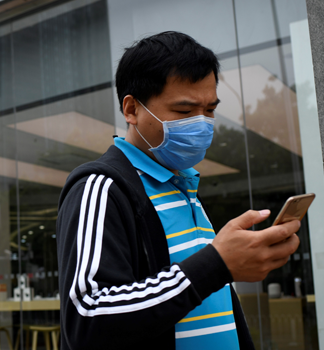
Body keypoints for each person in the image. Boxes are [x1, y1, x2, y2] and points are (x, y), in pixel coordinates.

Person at [56, 31, 301, 350]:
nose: (201, 124)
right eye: (184, 112)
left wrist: (224, 265)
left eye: (210, 110)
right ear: (131, 110)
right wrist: (217, 264)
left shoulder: (184, 186)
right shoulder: (100, 187)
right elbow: (87, 319)